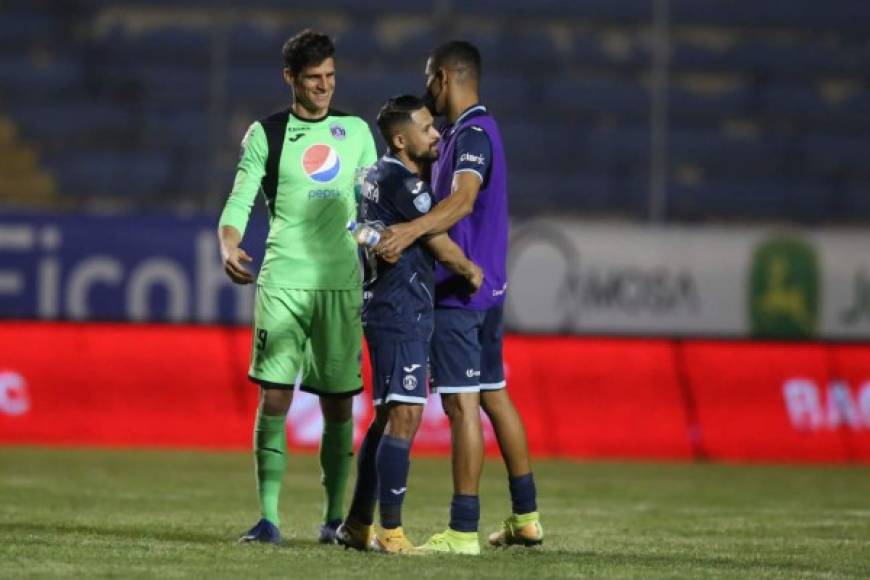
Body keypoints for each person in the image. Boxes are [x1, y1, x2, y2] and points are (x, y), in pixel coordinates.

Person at [376, 41, 543, 555]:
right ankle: (526, 516)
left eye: (431, 79)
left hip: (460, 296)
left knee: (461, 405)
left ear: (445, 77)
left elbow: (464, 199)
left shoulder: (472, 134)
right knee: (494, 394)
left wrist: (410, 231)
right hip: (487, 291)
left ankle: (463, 529)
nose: (428, 89)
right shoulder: (457, 134)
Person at [217, 29, 377, 545]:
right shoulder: (266, 133)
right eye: (313, 79)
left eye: (330, 77)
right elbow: (240, 198)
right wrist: (228, 243)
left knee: (338, 405)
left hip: (341, 285)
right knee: (275, 398)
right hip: (283, 282)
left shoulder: (355, 132)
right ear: (290, 78)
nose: (324, 87)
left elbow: (373, 205)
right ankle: (268, 519)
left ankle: (335, 521)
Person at [336, 95, 482, 554]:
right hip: (402, 311)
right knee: (406, 415)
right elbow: (440, 245)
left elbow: (355, 227)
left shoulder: (371, 176)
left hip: (384, 307)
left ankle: (358, 525)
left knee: (386, 419)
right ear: (402, 140)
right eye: (425, 128)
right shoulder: (407, 186)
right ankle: (390, 531)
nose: (436, 133)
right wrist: (472, 271)